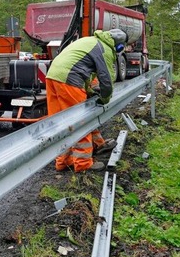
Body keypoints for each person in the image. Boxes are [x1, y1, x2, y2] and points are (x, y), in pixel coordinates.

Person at [46, 28, 127, 172]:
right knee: (80, 121)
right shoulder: (105, 49)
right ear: (119, 46)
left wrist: (88, 91)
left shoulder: (91, 41)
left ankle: (63, 161)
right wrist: (104, 99)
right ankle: (83, 163)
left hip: (52, 76)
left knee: (60, 122)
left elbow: (84, 70)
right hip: (69, 79)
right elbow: (106, 80)